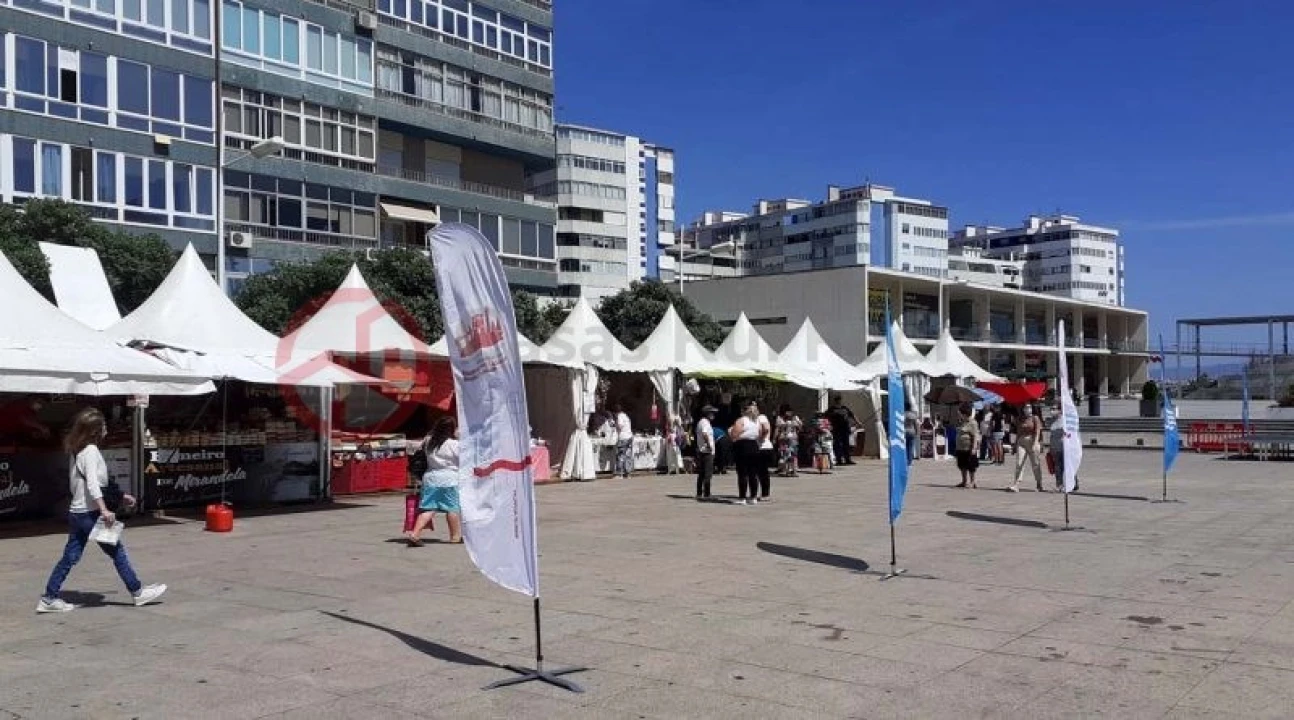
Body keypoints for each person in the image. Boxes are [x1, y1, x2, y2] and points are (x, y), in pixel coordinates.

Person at [38, 408, 166, 613]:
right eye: (104, 426)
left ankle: (49, 597)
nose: (107, 429)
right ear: (95, 431)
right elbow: (93, 485)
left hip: (79, 513)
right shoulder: (90, 451)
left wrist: (121, 496)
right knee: (117, 552)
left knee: (70, 557)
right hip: (90, 514)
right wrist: (104, 509)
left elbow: (81, 485)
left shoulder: (77, 450)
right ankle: (137, 592)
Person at [406, 417, 463, 546]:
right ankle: (455, 537)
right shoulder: (454, 444)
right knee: (452, 508)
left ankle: (415, 534)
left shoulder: (428, 441)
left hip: (431, 478)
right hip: (450, 479)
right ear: (451, 429)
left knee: (428, 508)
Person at [729, 401, 762, 505]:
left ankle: (742, 497)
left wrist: (731, 433)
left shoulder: (741, 420)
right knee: (753, 473)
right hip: (754, 445)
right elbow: (759, 434)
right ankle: (753, 497)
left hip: (743, 446)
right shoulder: (756, 422)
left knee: (742, 473)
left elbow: (734, 434)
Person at [1010, 405, 1045, 492]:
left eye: (1028, 407)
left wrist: (1036, 442)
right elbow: (1018, 432)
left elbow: (1038, 431)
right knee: (1019, 463)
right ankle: (1016, 484)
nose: (1027, 409)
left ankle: (1039, 483)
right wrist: (1015, 445)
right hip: (1022, 441)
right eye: (1025, 407)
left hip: (1032, 441)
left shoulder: (1035, 418)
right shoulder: (1020, 419)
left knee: (1035, 463)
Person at [955, 403, 981, 489]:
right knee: (962, 465)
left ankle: (973, 482)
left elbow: (975, 436)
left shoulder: (972, 422)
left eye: (960, 413)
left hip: (968, 447)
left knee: (971, 466)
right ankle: (964, 481)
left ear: (965, 414)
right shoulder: (962, 422)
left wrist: (974, 448)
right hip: (960, 447)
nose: (959, 415)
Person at [694, 406, 716, 499]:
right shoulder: (705, 422)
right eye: (711, 413)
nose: (713, 415)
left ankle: (699, 493)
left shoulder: (701, 422)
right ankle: (706, 493)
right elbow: (705, 433)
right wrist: (709, 445)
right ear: (707, 414)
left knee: (702, 473)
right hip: (706, 451)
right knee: (708, 473)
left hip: (702, 450)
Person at [775, 405, 802, 477]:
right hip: (783, 439)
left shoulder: (795, 418)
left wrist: (797, 425)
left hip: (793, 439)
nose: (789, 413)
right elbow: (777, 429)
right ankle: (785, 470)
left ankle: (794, 470)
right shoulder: (780, 418)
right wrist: (775, 438)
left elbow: (800, 427)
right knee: (784, 454)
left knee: (793, 454)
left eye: (790, 411)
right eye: (787, 411)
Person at [755, 404, 775, 501]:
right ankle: (756, 493)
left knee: (763, 472)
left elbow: (766, 428)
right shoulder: (752, 420)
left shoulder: (761, 417)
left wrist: (761, 437)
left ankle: (765, 494)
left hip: (764, 448)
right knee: (756, 472)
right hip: (757, 448)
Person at [614, 404, 633, 479]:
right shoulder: (626, 416)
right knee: (628, 455)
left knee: (620, 455)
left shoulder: (620, 416)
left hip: (623, 437)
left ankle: (619, 474)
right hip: (629, 436)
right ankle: (628, 473)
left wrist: (615, 425)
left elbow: (620, 426)